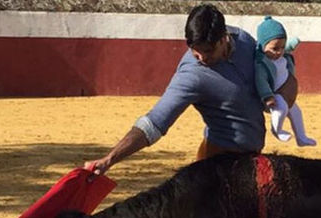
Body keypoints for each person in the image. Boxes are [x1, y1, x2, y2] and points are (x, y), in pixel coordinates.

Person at [85, 4, 274, 175]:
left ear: (223, 38)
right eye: (195, 50)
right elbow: (154, 123)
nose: (201, 57)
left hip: (252, 159)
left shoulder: (243, 40)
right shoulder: (192, 75)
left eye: (208, 51)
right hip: (217, 166)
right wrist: (110, 159)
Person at [255, 16, 316, 147]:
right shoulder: (261, 63)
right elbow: (261, 81)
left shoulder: (281, 53)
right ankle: (277, 130)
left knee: (296, 112)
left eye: (282, 48)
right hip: (274, 96)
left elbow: (286, 47)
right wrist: (267, 96)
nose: (279, 52)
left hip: (286, 95)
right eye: (275, 49)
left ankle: (301, 137)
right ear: (262, 46)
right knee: (281, 108)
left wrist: (294, 42)